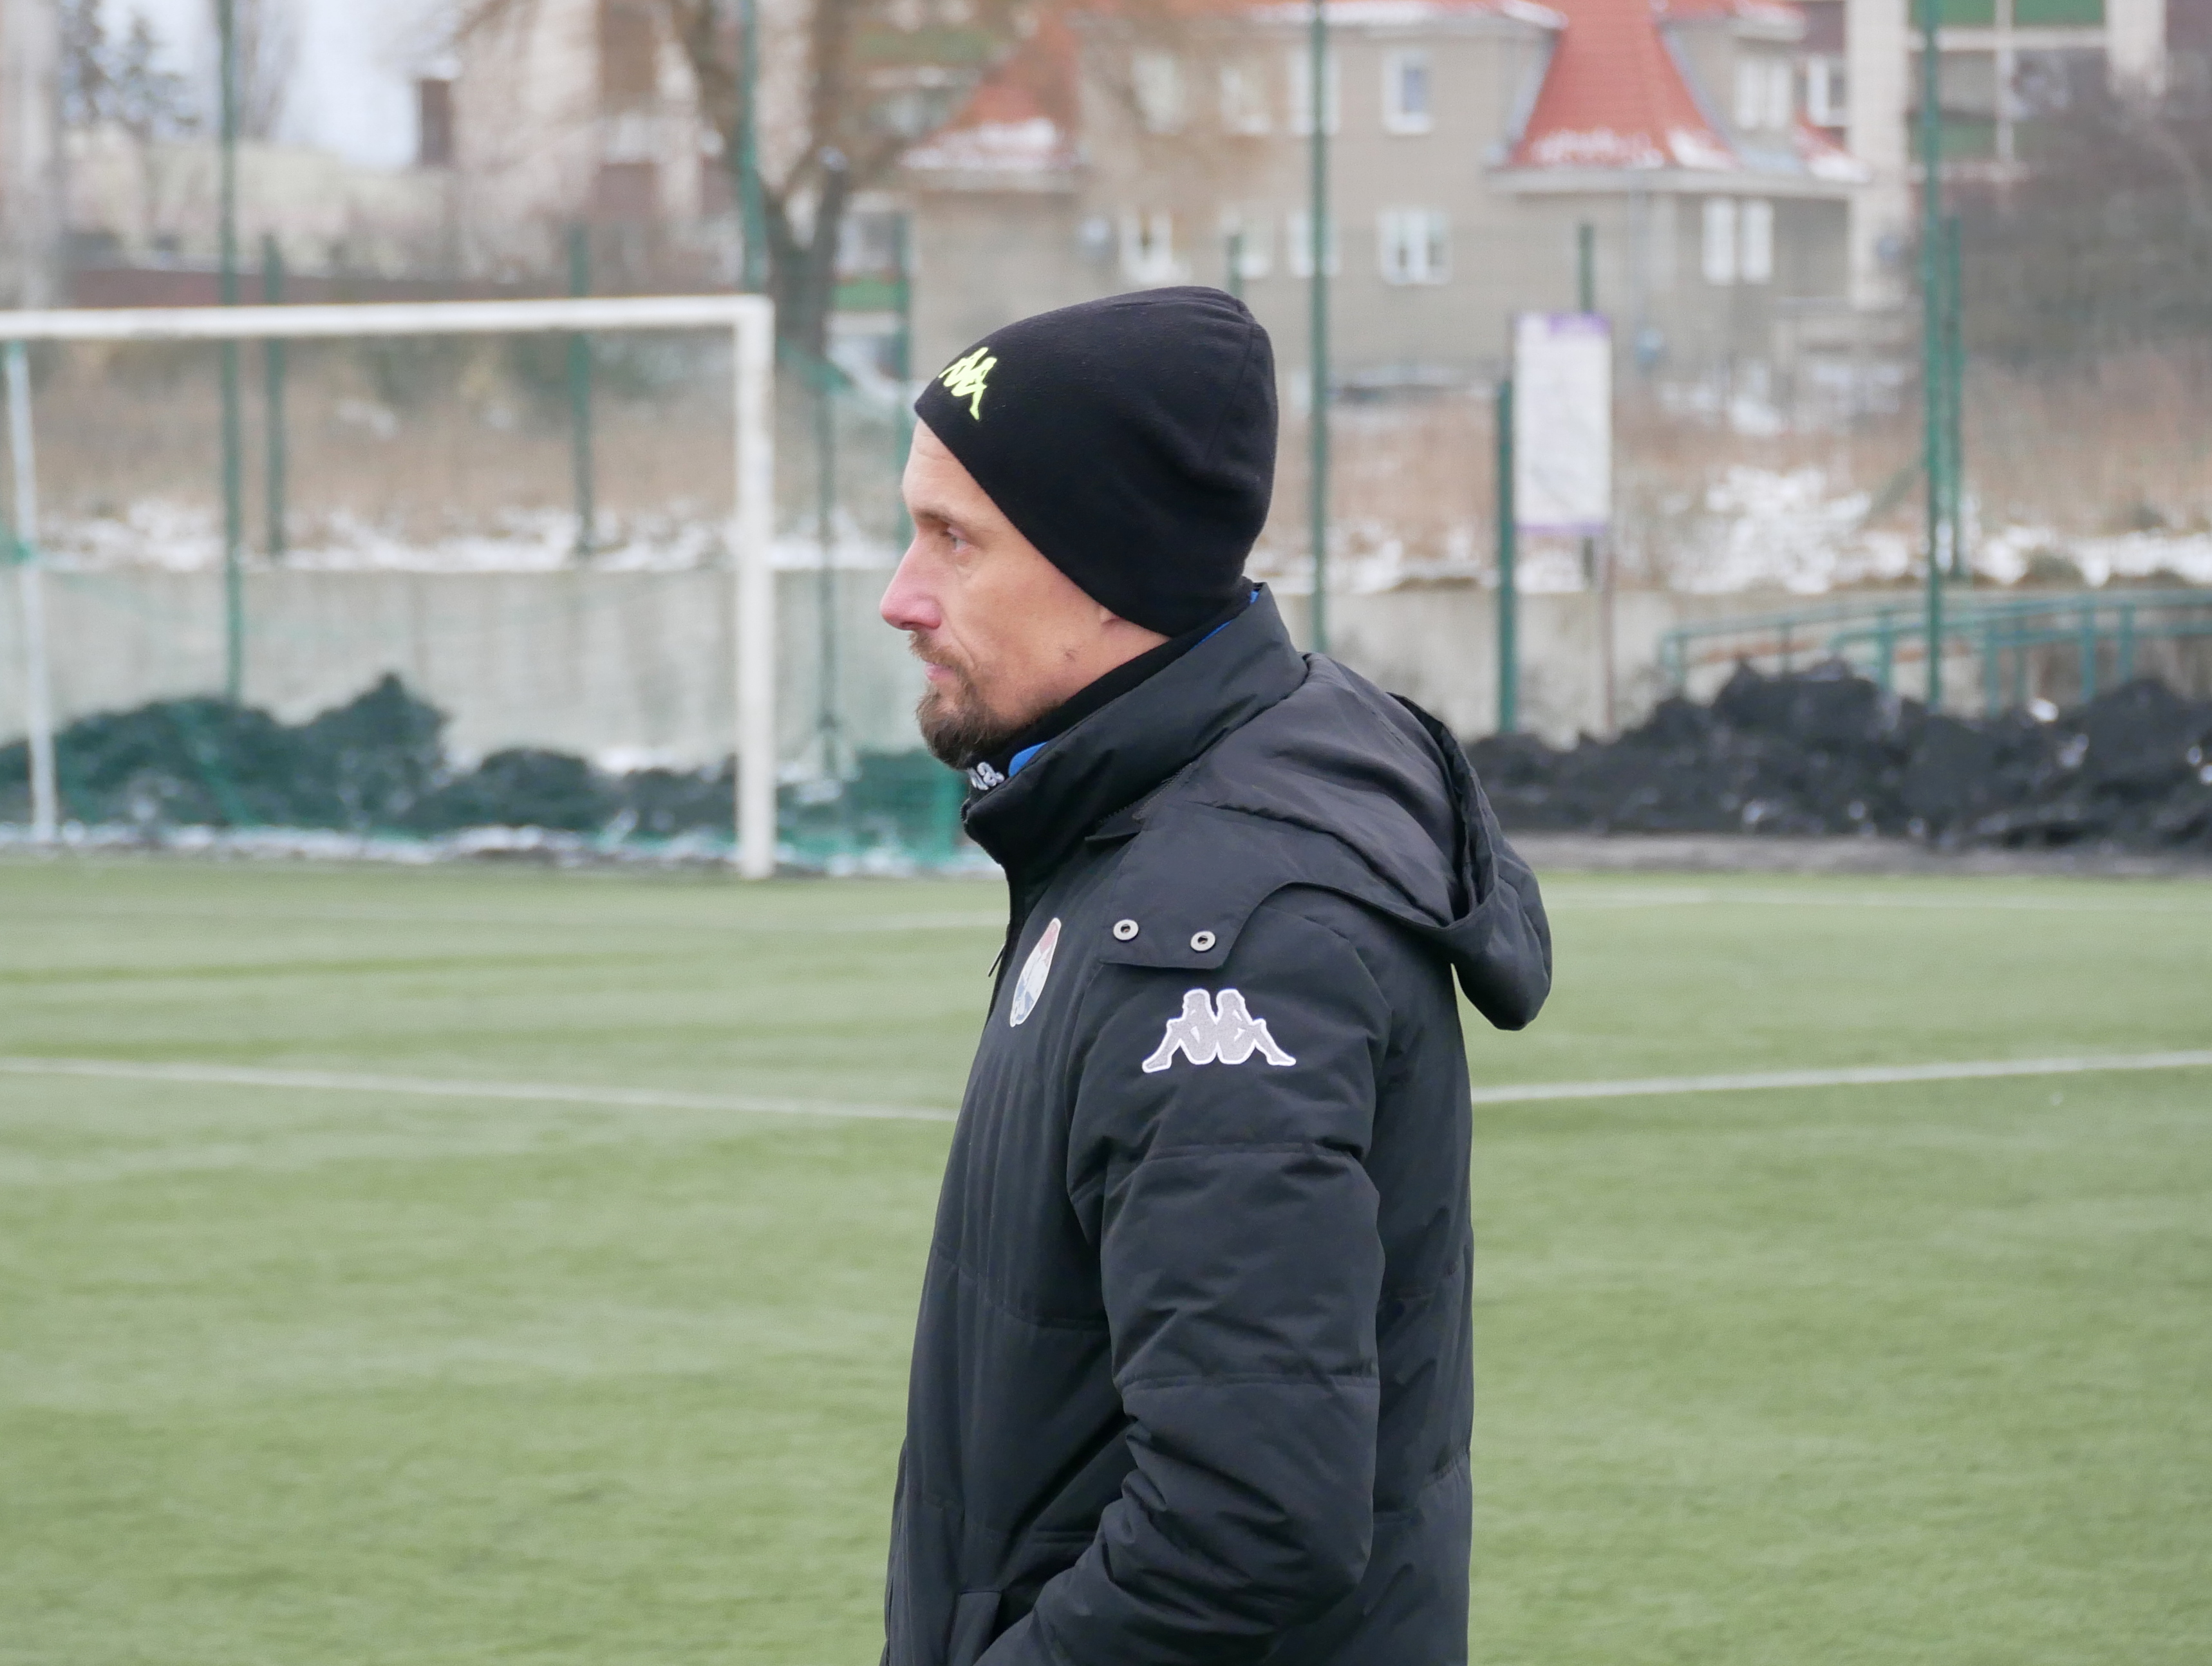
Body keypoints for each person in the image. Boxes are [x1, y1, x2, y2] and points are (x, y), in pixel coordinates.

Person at [876, 287, 1552, 1666]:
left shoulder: (1224, 936)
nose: (903, 595)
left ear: (1108, 566)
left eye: (955, 538)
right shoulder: (1148, 821)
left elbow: (1246, 1519)